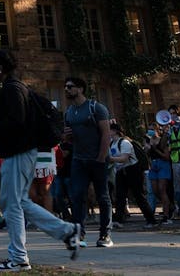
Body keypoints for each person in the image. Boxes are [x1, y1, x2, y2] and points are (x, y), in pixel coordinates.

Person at [0, 49, 80, 272]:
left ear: (0, 68)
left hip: (18, 152)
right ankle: (67, 231)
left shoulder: (11, 89)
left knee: (11, 206)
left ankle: (18, 258)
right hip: (22, 152)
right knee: (20, 202)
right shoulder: (18, 88)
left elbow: (17, 121)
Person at [64, 76, 113, 247]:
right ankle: (79, 235)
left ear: (80, 89)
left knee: (102, 196)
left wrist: (101, 157)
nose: (67, 89)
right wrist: (67, 137)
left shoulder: (96, 108)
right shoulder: (69, 112)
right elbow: (70, 140)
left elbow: (106, 134)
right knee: (77, 196)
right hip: (79, 159)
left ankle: (105, 235)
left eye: (70, 87)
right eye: (65, 87)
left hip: (97, 159)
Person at [108, 122, 157, 227]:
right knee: (120, 196)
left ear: (115, 131)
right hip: (121, 171)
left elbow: (124, 158)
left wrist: (110, 159)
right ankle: (119, 220)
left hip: (133, 170)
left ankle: (151, 220)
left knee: (139, 195)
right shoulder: (112, 143)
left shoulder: (125, 142)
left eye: (109, 129)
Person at [146, 121, 173, 222]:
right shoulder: (148, 141)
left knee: (162, 189)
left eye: (152, 130)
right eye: (149, 130)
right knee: (155, 190)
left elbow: (166, 156)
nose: (150, 132)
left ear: (157, 130)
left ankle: (166, 215)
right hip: (153, 165)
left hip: (163, 164)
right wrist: (147, 149)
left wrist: (155, 149)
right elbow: (146, 155)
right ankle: (169, 205)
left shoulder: (162, 141)